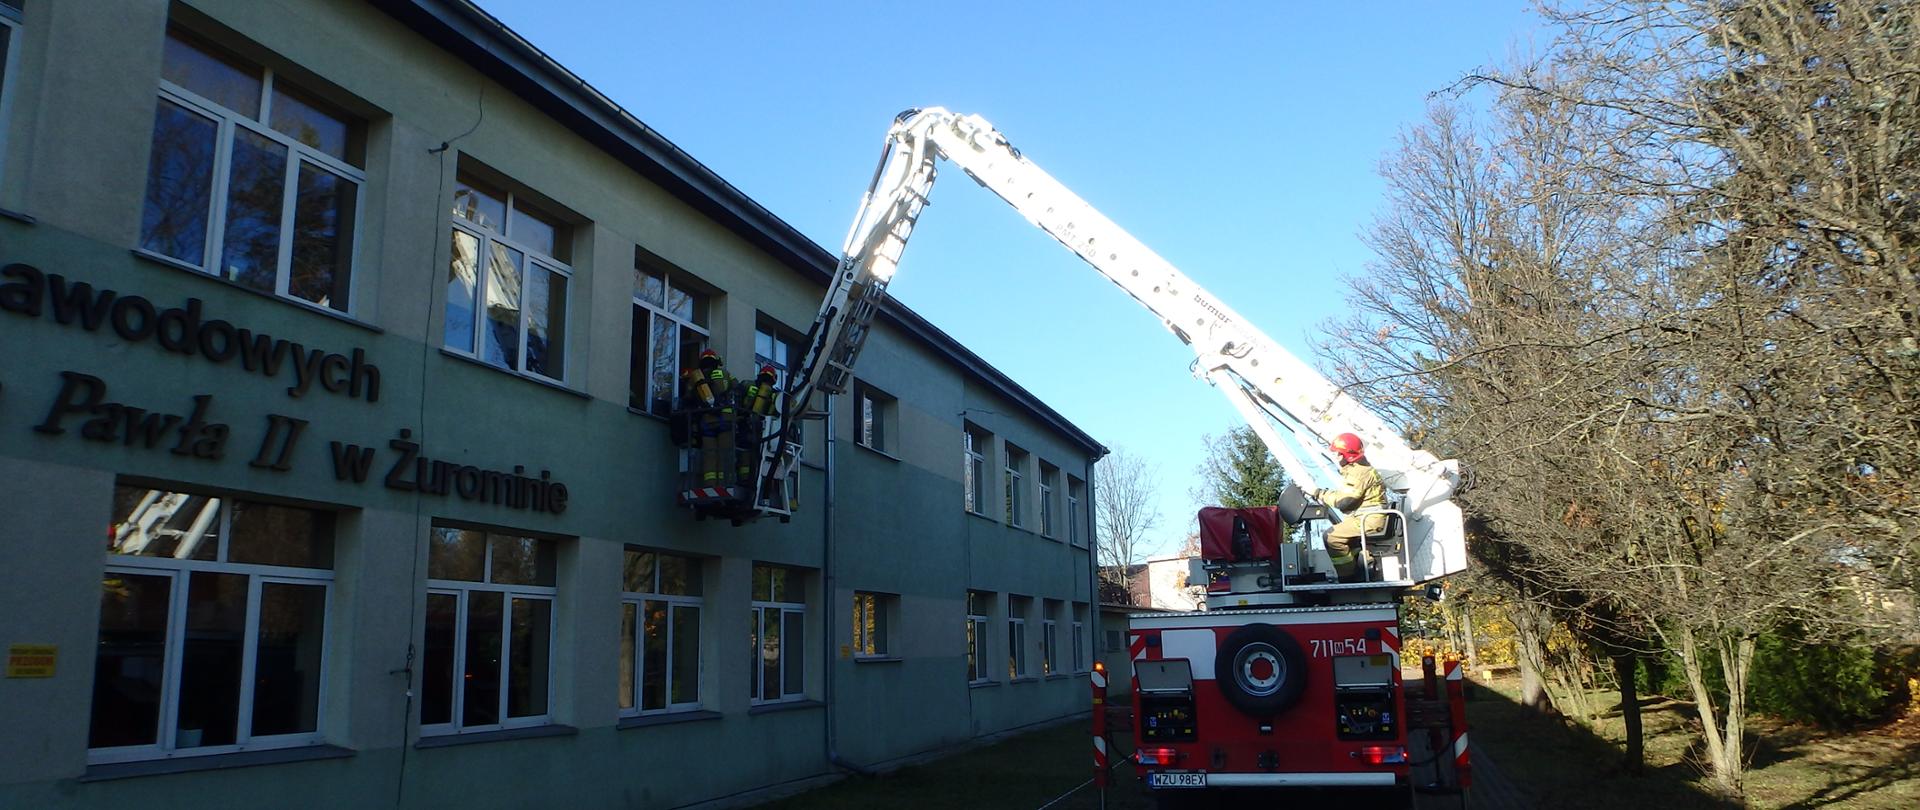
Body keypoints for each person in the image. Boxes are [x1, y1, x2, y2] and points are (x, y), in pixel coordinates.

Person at [1317, 432, 1387, 582]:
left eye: (1338, 454)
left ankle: (1348, 578)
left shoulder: (1358, 473)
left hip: (1368, 521)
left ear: (1347, 455)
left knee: (1331, 536)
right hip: (1369, 518)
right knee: (1346, 538)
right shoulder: (1362, 470)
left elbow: (1345, 501)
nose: (1336, 457)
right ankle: (1360, 569)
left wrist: (1319, 494)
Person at [692, 349, 737, 485]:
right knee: (724, 453)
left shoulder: (698, 378)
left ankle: (710, 484)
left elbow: (689, 397)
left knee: (709, 455)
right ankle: (724, 484)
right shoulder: (725, 374)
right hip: (725, 420)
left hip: (707, 422)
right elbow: (737, 387)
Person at [734, 365, 779, 480]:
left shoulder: (746, 385)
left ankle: (744, 479)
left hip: (744, 427)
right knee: (756, 456)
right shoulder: (775, 395)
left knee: (744, 453)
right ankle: (752, 479)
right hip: (761, 431)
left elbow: (736, 402)